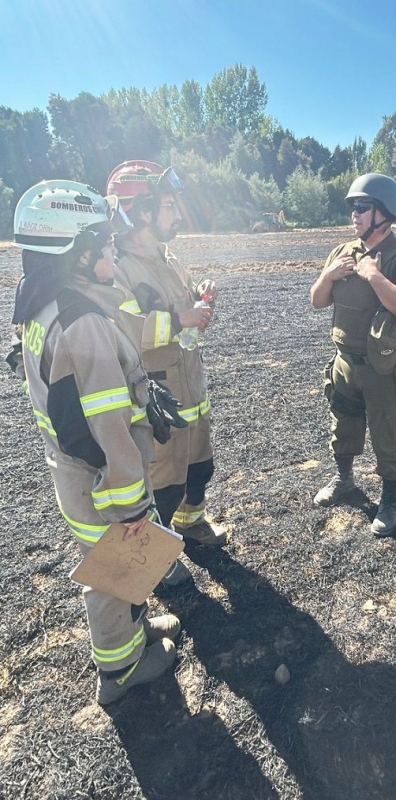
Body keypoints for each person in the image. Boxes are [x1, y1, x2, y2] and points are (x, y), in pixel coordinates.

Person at [11, 180, 182, 704]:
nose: (113, 247)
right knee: (113, 575)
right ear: (77, 254)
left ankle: (133, 632)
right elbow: (107, 427)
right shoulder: (82, 323)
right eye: (103, 240)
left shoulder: (46, 307)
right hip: (105, 484)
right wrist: (132, 508)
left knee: (119, 572)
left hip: (74, 474)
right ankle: (122, 670)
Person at [106, 161, 226, 558]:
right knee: (162, 483)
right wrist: (180, 319)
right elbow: (123, 331)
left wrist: (200, 297)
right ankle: (158, 559)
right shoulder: (117, 269)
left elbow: (187, 317)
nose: (177, 214)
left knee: (197, 468)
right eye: (169, 206)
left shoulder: (168, 257)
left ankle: (191, 524)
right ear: (141, 211)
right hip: (156, 399)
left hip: (191, 389)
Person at [310, 173, 396, 536]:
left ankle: (389, 500)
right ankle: (344, 480)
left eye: (362, 207)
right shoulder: (342, 252)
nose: (354, 215)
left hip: (383, 365)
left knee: (387, 435)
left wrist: (373, 276)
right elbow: (317, 301)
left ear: (385, 213)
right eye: (352, 208)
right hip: (344, 361)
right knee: (342, 424)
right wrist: (329, 275)